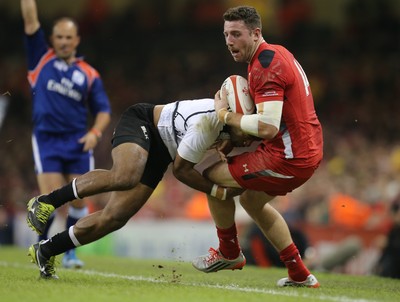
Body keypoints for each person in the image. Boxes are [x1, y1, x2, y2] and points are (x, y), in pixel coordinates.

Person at [25, 98, 251, 279]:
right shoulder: (208, 123)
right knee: (126, 176)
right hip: (144, 122)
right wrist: (217, 192)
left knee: (115, 218)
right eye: (248, 133)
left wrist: (229, 140)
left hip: (163, 153)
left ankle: (47, 250)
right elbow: (181, 171)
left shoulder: (225, 122)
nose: (250, 140)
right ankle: (46, 202)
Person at [191, 6, 323, 288]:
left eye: (237, 34)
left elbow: (267, 127)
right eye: (226, 34)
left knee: (210, 177)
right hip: (302, 148)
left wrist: (225, 116)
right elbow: (275, 122)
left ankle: (228, 251)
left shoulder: (265, 64)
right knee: (251, 201)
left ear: (256, 33)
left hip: (289, 157)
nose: (229, 41)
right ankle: (299, 273)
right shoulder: (275, 53)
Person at [21, 0, 111, 269]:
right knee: (48, 200)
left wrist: (95, 132)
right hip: (47, 141)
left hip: (78, 143)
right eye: (59, 37)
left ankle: (70, 252)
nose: (63, 42)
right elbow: (30, 21)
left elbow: (103, 110)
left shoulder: (89, 74)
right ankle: (42, 247)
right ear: (52, 39)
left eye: (68, 37)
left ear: (77, 40)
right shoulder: (40, 59)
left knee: (80, 200)